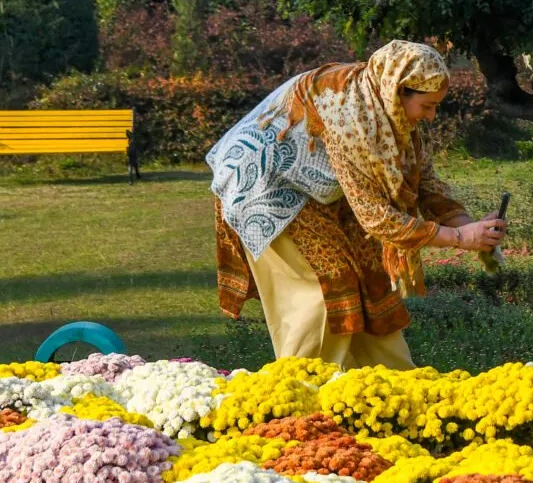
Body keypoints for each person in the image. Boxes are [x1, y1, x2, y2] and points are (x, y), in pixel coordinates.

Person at [208, 40, 505, 367]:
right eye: (428, 106)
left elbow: (424, 178)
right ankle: (306, 393)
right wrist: (460, 239)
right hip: (265, 188)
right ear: (399, 91)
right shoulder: (348, 112)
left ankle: (394, 386)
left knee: (370, 279)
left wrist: (469, 228)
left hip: (316, 189)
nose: (432, 116)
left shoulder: (388, 108)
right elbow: (375, 217)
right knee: (324, 291)